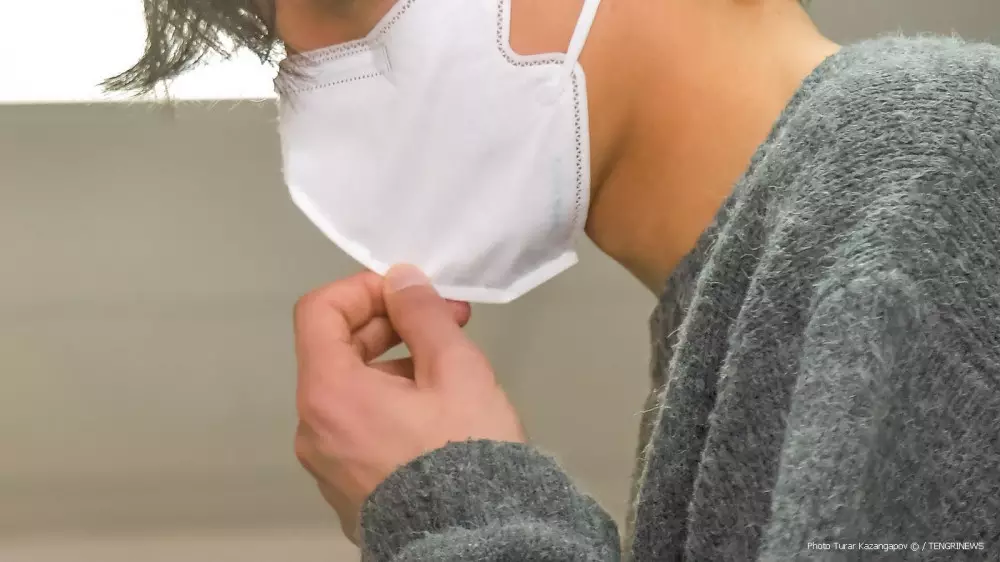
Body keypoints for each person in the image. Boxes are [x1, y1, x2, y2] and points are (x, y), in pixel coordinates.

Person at [108, 0, 1000, 560]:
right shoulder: (756, 314)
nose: (310, 64)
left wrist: (461, 509)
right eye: (284, 32)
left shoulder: (934, 163)